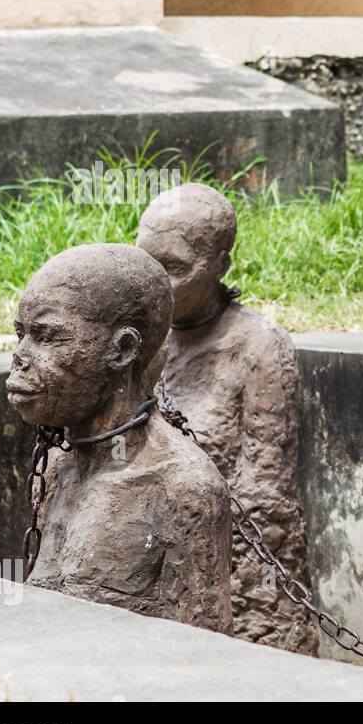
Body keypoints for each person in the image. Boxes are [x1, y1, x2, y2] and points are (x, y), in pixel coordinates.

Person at [7, 244, 232, 631]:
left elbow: (208, 652)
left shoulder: (184, 488)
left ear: (123, 349)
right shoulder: (57, 469)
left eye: (47, 337)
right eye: (21, 334)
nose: (20, 356)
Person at [137, 184, 317, 654]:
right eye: (147, 263)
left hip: (230, 577)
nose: (157, 283)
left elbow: (265, 496)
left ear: (219, 267)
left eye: (176, 268)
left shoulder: (259, 346)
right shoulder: (133, 338)